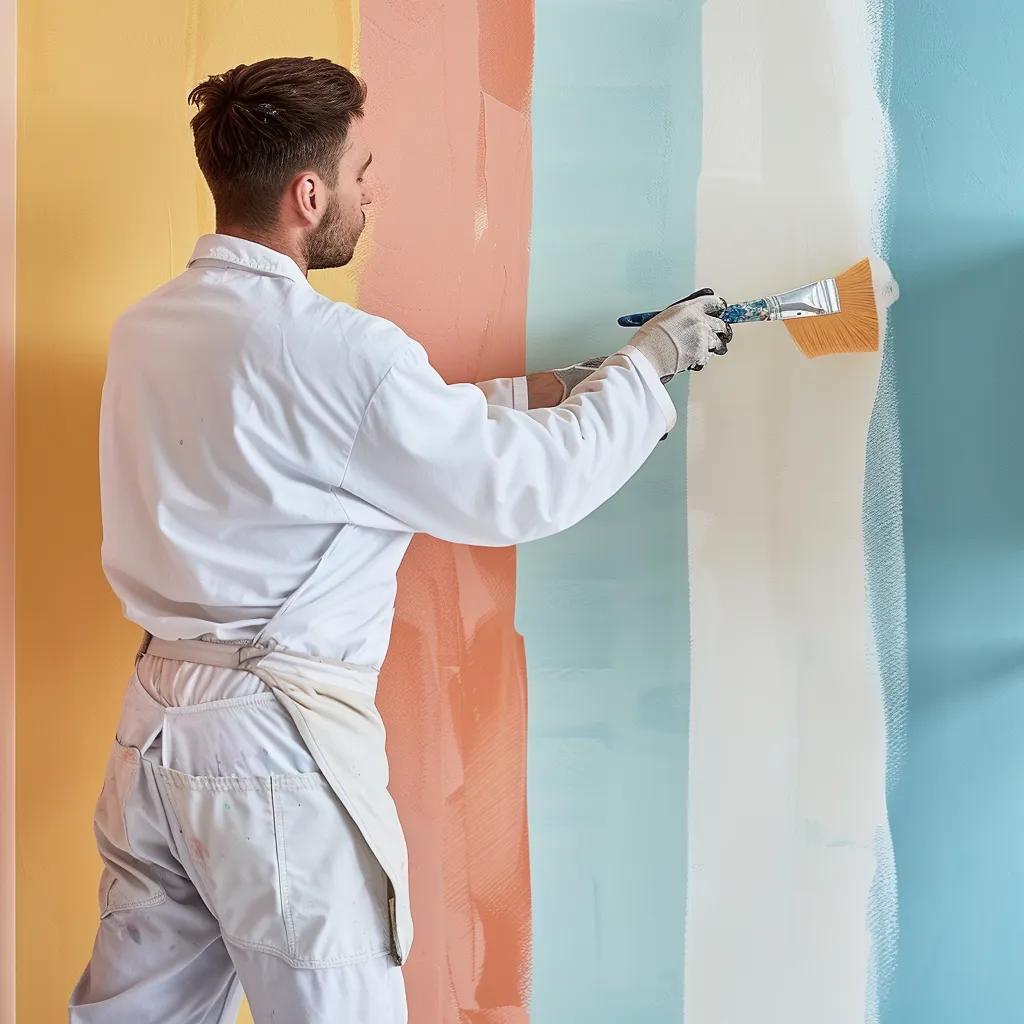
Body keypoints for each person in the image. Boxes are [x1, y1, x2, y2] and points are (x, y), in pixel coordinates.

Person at [68, 55, 731, 1024]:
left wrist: (553, 387)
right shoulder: (342, 352)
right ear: (308, 193)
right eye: (361, 170)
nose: (369, 192)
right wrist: (645, 368)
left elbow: (348, 436)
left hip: (156, 731)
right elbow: (516, 488)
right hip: (270, 756)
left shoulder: (150, 331)